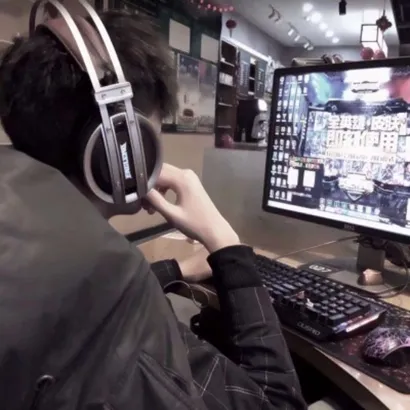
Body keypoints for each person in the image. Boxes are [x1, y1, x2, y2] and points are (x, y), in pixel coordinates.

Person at [0, 8, 306, 410]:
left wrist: (175, 270)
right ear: (123, 147)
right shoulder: (119, 305)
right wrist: (225, 243)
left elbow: (78, 297)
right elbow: (277, 402)